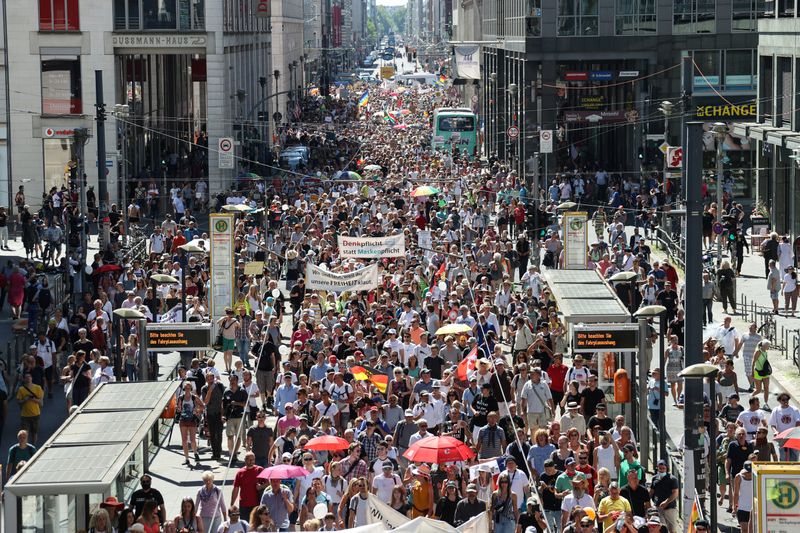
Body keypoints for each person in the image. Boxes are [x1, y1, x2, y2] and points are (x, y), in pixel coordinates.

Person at [231, 452, 265, 522]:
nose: (251, 461)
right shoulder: (240, 473)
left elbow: (269, 483)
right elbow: (235, 489)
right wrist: (232, 504)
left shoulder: (260, 470)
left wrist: (261, 486)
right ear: (245, 460)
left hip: (257, 505)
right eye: (249, 459)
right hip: (244, 505)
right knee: (245, 526)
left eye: (253, 459)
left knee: (256, 526)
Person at [16, 372, 43, 445]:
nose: (28, 378)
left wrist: (33, 399)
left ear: (31, 378)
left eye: (29, 377)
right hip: (25, 415)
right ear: (24, 379)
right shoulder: (21, 389)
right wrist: (25, 399)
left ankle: (33, 447)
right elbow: (18, 402)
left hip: (35, 414)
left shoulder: (38, 388)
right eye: (26, 377)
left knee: (34, 432)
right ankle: (26, 446)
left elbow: (40, 401)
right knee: (25, 433)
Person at [732, 461, 754, 533]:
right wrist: (735, 508)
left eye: (750, 472)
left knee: (751, 530)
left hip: (753, 508)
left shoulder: (756, 476)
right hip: (742, 508)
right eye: (747, 472)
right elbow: (736, 494)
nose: (749, 474)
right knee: (744, 529)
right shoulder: (738, 476)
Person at [752, 340, 772, 409]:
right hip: (758, 372)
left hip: (765, 372)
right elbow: (753, 362)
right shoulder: (758, 352)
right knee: (758, 390)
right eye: (768, 345)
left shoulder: (766, 352)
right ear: (764, 346)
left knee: (766, 388)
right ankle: (751, 397)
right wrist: (752, 373)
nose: (769, 347)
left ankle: (765, 404)